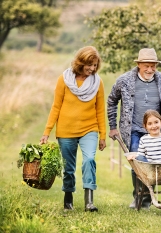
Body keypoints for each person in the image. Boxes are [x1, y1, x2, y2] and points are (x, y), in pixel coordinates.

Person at [39, 46, 106, 212]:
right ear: (80, 62)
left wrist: (102, 135)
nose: (92, 68)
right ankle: (68, 198)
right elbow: (56, 107)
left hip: (89, 129)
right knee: (68, 168)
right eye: (89, 64)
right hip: (66, 131)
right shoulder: (64, 79)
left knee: (89, 160)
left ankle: (89, 201)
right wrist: (46, 132)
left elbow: (100, 110)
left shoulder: (98, 82)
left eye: (95, 65)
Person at [107, 48, 161, 209]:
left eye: (153, 66)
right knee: (137, 162)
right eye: (147, 66)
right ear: (138, 64)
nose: (150, 69)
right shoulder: (125, 80)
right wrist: (112, 126)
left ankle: (156, 195)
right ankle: (140, 198)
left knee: (158, 161)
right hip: (134, 130)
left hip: (156, 130)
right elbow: (111, 100)